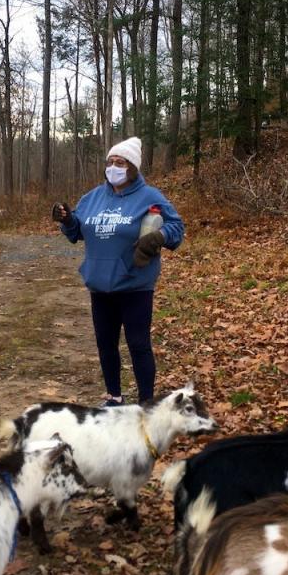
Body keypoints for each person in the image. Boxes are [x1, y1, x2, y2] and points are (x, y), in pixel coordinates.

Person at [52, 136, 184, 406]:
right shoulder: (92, 197)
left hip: (134, 284)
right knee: (106, 345)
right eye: (110, 162)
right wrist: (67, 219)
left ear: (132, 167)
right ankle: (114, 397)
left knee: (138, 345)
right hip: (100, 285)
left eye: (120, 162)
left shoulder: (150, 196)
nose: (114, 167)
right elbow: (77, 231)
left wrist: (159, 236)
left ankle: (146, 403)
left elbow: (176, 228)